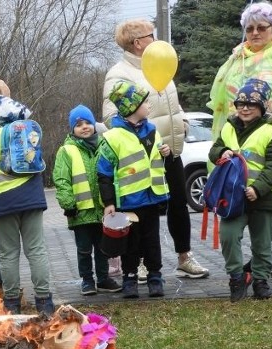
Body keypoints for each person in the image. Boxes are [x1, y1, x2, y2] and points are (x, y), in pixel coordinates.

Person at [103, 19, 210, 282]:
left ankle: (184, 258)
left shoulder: (160, 63)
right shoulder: (120, 73)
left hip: (169, 151)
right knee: (142, 213)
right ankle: (139, 263)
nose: (157, 39)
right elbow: (110, 116)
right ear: (138, 42)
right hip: (141, 158)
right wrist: (140, 140)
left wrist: (182, 120)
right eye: (152, 35)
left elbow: (172, 103)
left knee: (178, 205)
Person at [208, 2, 272, 279]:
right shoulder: (236, 58)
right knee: (251, 198)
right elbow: (221, 101)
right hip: (241, 141)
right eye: (249, 28)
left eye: (261, 27)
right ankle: (259, 258)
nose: (255, 32)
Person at [0, 78, 53, 314]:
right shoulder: (24, 123)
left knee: (7, 252)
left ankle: (12, 303)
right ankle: (44, 302)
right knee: (36, 249)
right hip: (32, 194)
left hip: (2, 199)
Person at [211, 79, 272, 302]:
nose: (244, 108)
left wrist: (258, 188)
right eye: (240, 103)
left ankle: (261, 281)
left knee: (262, 244)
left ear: (262, 107)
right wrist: (221, 152)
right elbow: (214, 148)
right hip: (233, 196)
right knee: (228, 236)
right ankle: (237, 277)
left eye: (251, 104)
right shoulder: (229, 126)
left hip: (264, 197)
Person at [98, 80, 171, 299]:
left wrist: (165, 153)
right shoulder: (113, 137)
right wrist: (109, 203)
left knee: (152, 241)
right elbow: (104, 174)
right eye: (144, 102)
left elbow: (153, 161)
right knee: (130, 244)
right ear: (131, 108)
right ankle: (129, 279)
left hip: (151, 198)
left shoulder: (152, 130)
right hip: (128, 201)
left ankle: (155, 278)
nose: (149, 106)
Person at [53, 104, 122, 296]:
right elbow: (61, 179)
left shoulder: (104, 147)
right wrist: (68, 203)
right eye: (79, 124)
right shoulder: (66, 151)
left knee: (103, 248)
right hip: (80, 211)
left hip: (102, 210)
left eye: (88, 123)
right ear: (72, 129)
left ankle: (103, 279)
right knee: (83, 250)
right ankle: (87, 280)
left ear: (94, 124)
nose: (84, 127)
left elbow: (113, 174)